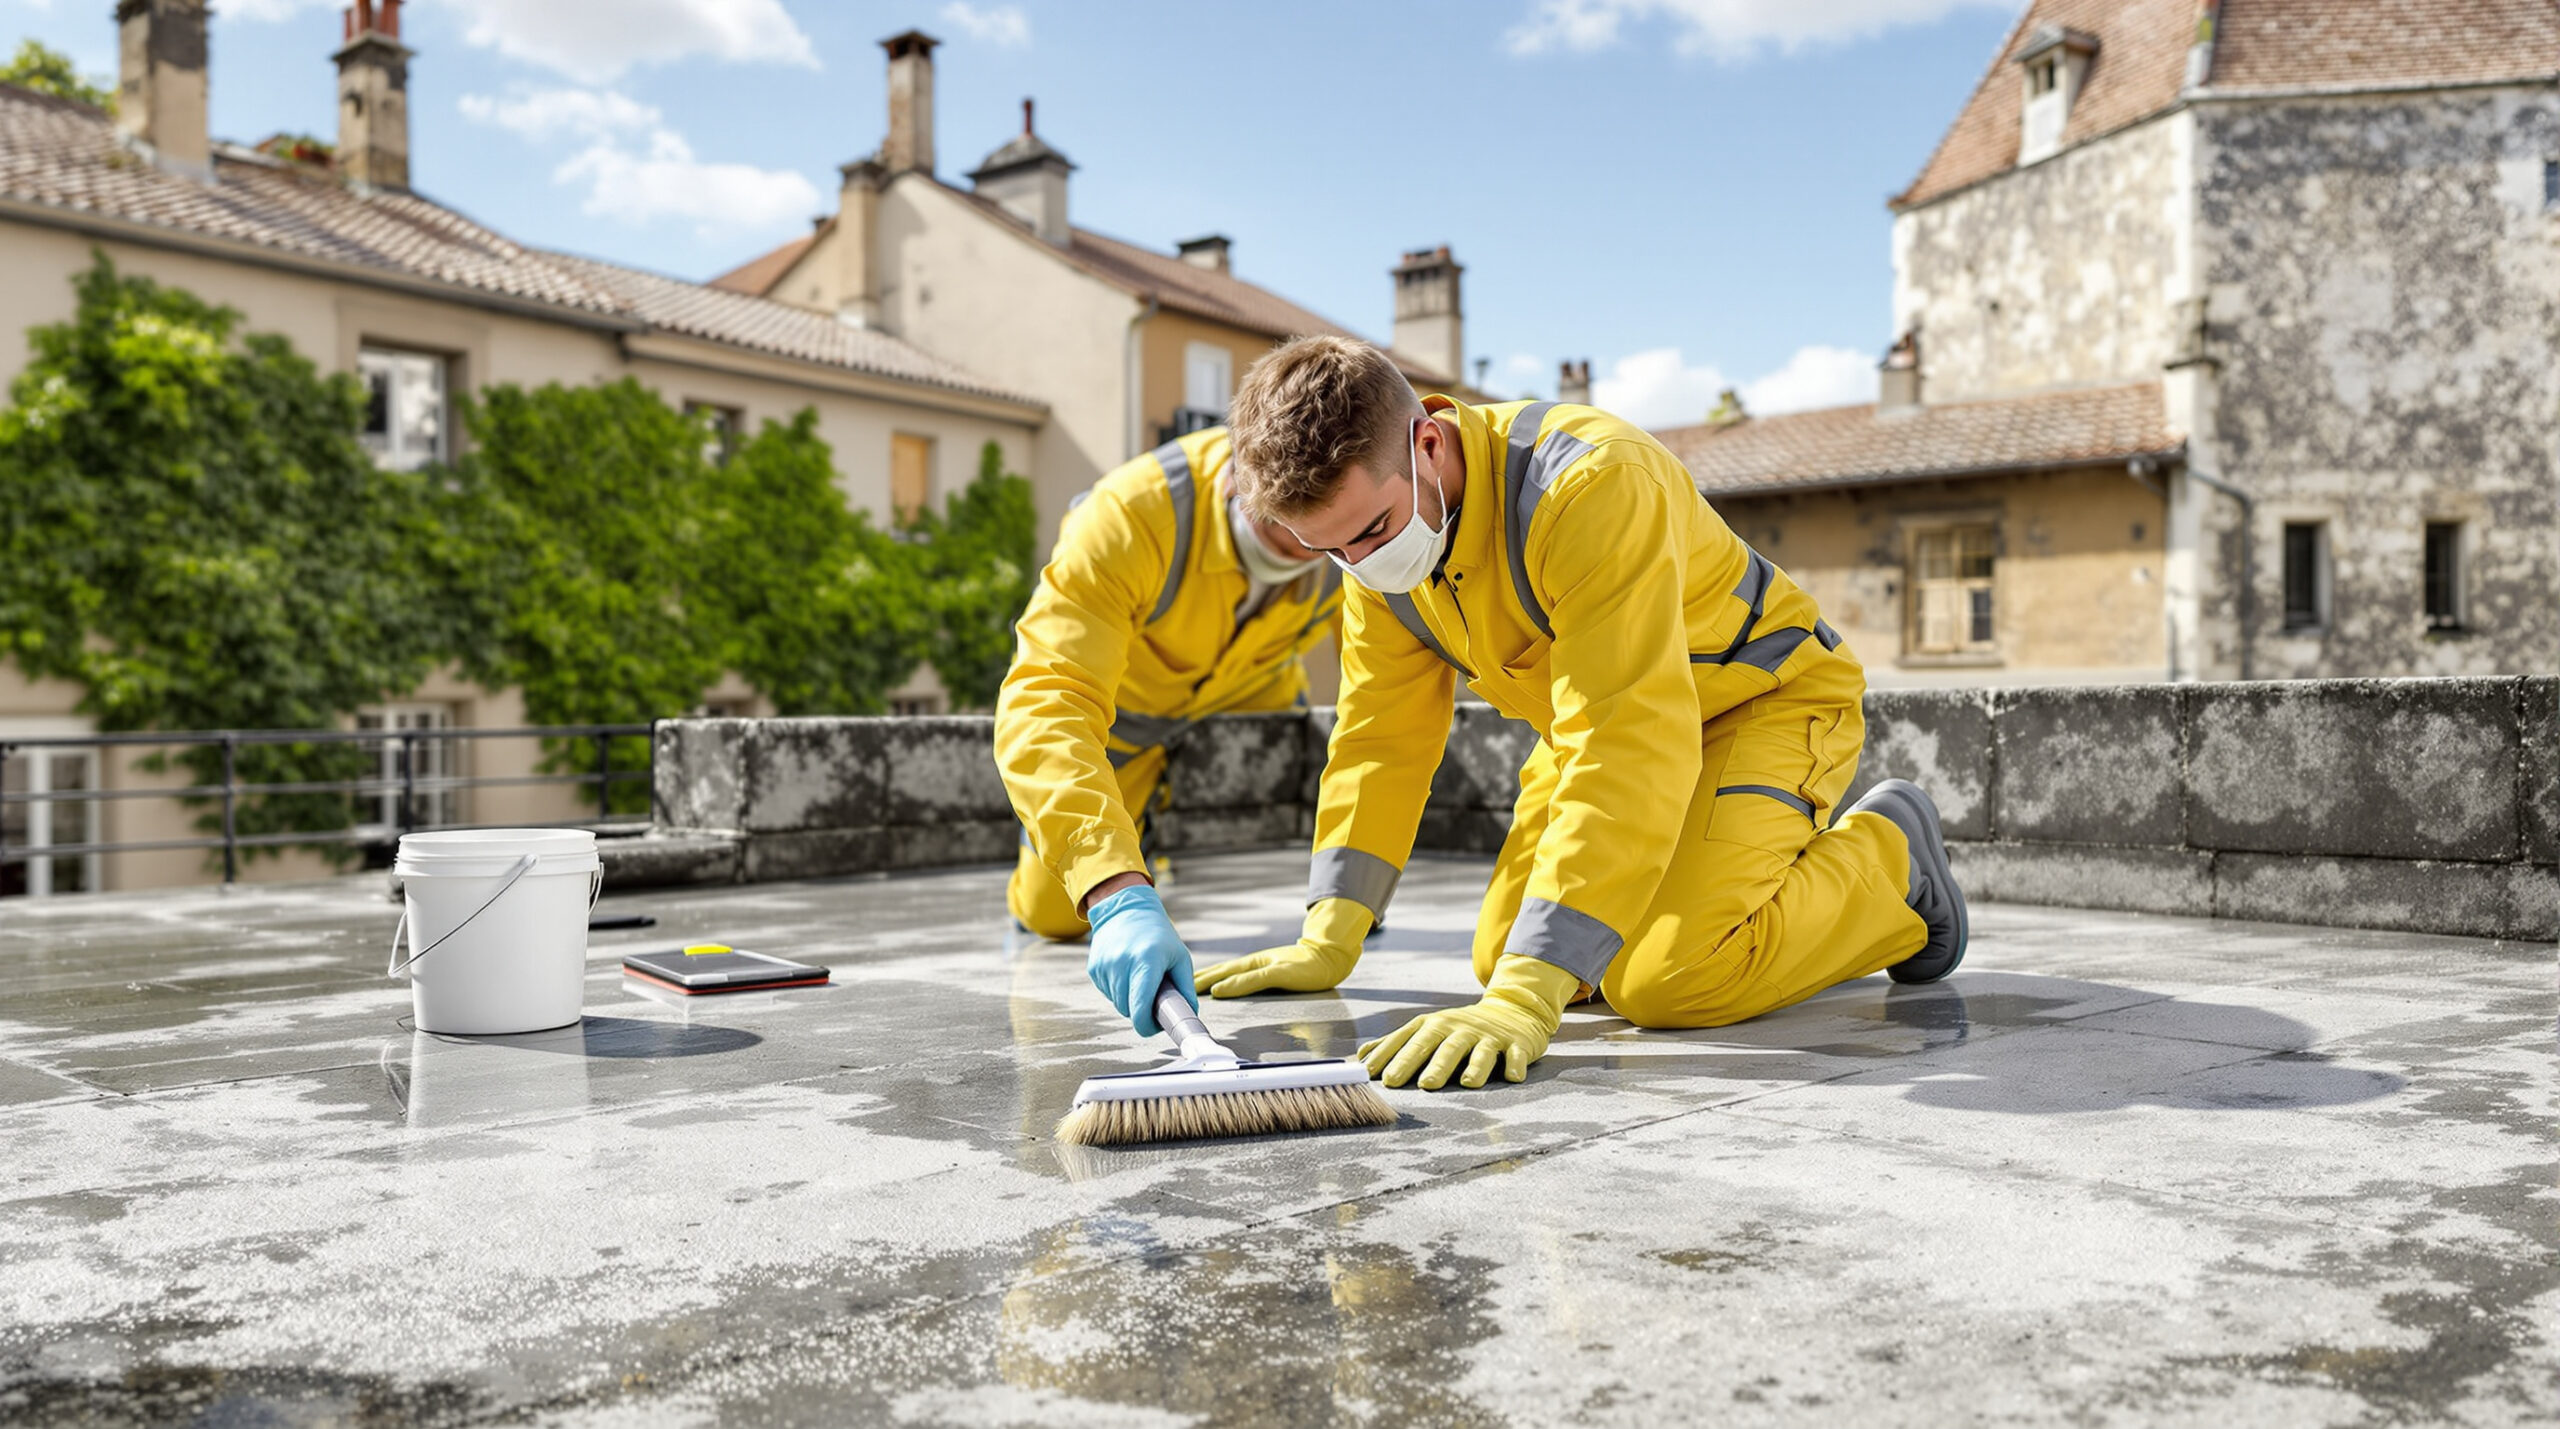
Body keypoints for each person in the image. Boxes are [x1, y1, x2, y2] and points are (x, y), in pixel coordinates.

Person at [1200, 336, 1966, 1089]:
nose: (1364, 567)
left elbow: (1628, 738)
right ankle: (1699, 892)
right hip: (1603, 731)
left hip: (1760, 703)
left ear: (1428, 442)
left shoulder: (1590, 485)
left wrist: (1525, 1000)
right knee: (1507, 952)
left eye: (1371, 531)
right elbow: (1378, 739)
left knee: (1666, 979)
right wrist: (1331, 935)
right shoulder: (1375, 553)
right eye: (1332, 550)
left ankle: (1891, 858)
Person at [994, 424, 1344, 1037]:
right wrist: (1113, 891)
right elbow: (1049, 699)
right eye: (1279, 525)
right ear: (1235, 478)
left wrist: (1350, 902)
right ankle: (1134, 848)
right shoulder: (1130, 515)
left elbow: (1383, 700)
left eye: (1319, 537)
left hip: (1250, 691)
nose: (1302, 545)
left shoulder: (1357, 520)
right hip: (1125, 721)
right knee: (1055, 913)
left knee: (1321, 770)